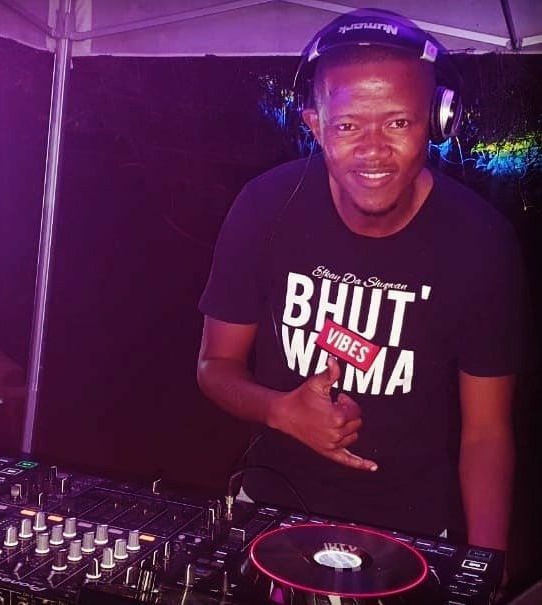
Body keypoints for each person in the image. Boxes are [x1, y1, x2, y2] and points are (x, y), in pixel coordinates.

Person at [197, 8, 530, 560]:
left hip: (414, 534)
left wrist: (483, 568)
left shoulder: (481, 243)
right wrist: (280, 411)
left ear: (437, 121)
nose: (373, 150)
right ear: (316, 126)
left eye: (398, 123)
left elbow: (487, 433)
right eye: (348, 125)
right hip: (270, 514)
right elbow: (215, 367)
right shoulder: (263, 208)